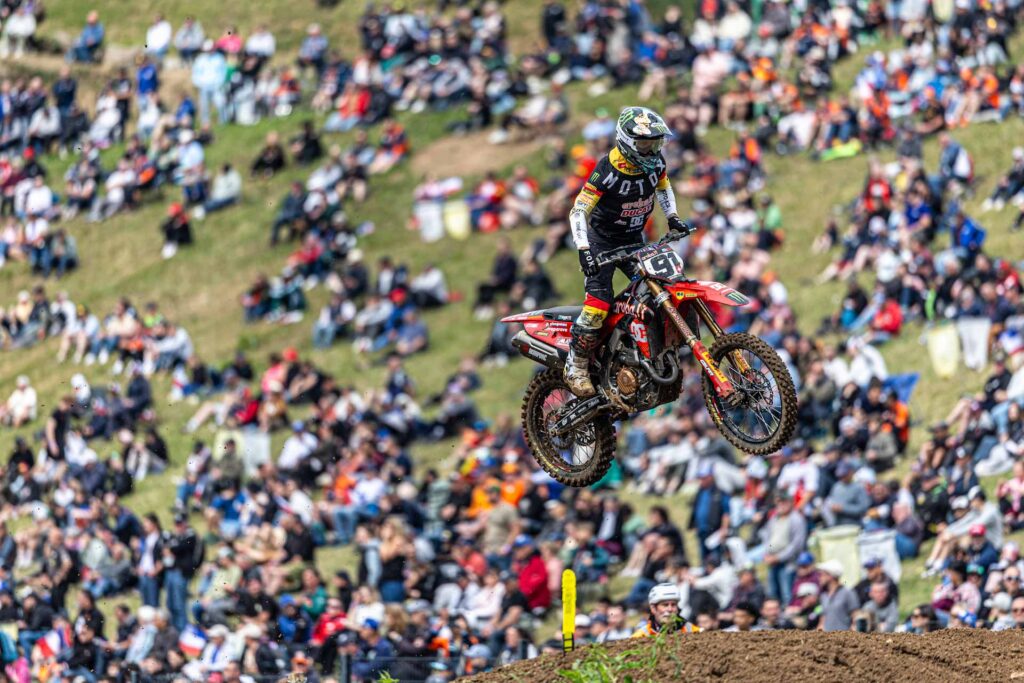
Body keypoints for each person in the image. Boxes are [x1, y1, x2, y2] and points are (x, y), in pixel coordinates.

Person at [563, 106, 690, 396]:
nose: (652, 150)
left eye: (656, 143)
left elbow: (663, 187)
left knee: (660, 289)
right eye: (645, 144)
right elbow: (578, 210)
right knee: (598, 305)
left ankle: (639, 351)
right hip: (602, 243)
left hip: (633, 239)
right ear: (628, 142)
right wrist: (584, 249)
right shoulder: (607, 169)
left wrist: (672, 217)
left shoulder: (656, 163)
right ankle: (576, 364)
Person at [631, 583, 699, 637]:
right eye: (665, 605)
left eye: (673, 605)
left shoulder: (692, 631)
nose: (670, 609)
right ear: (653, 608)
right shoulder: (641, 636)